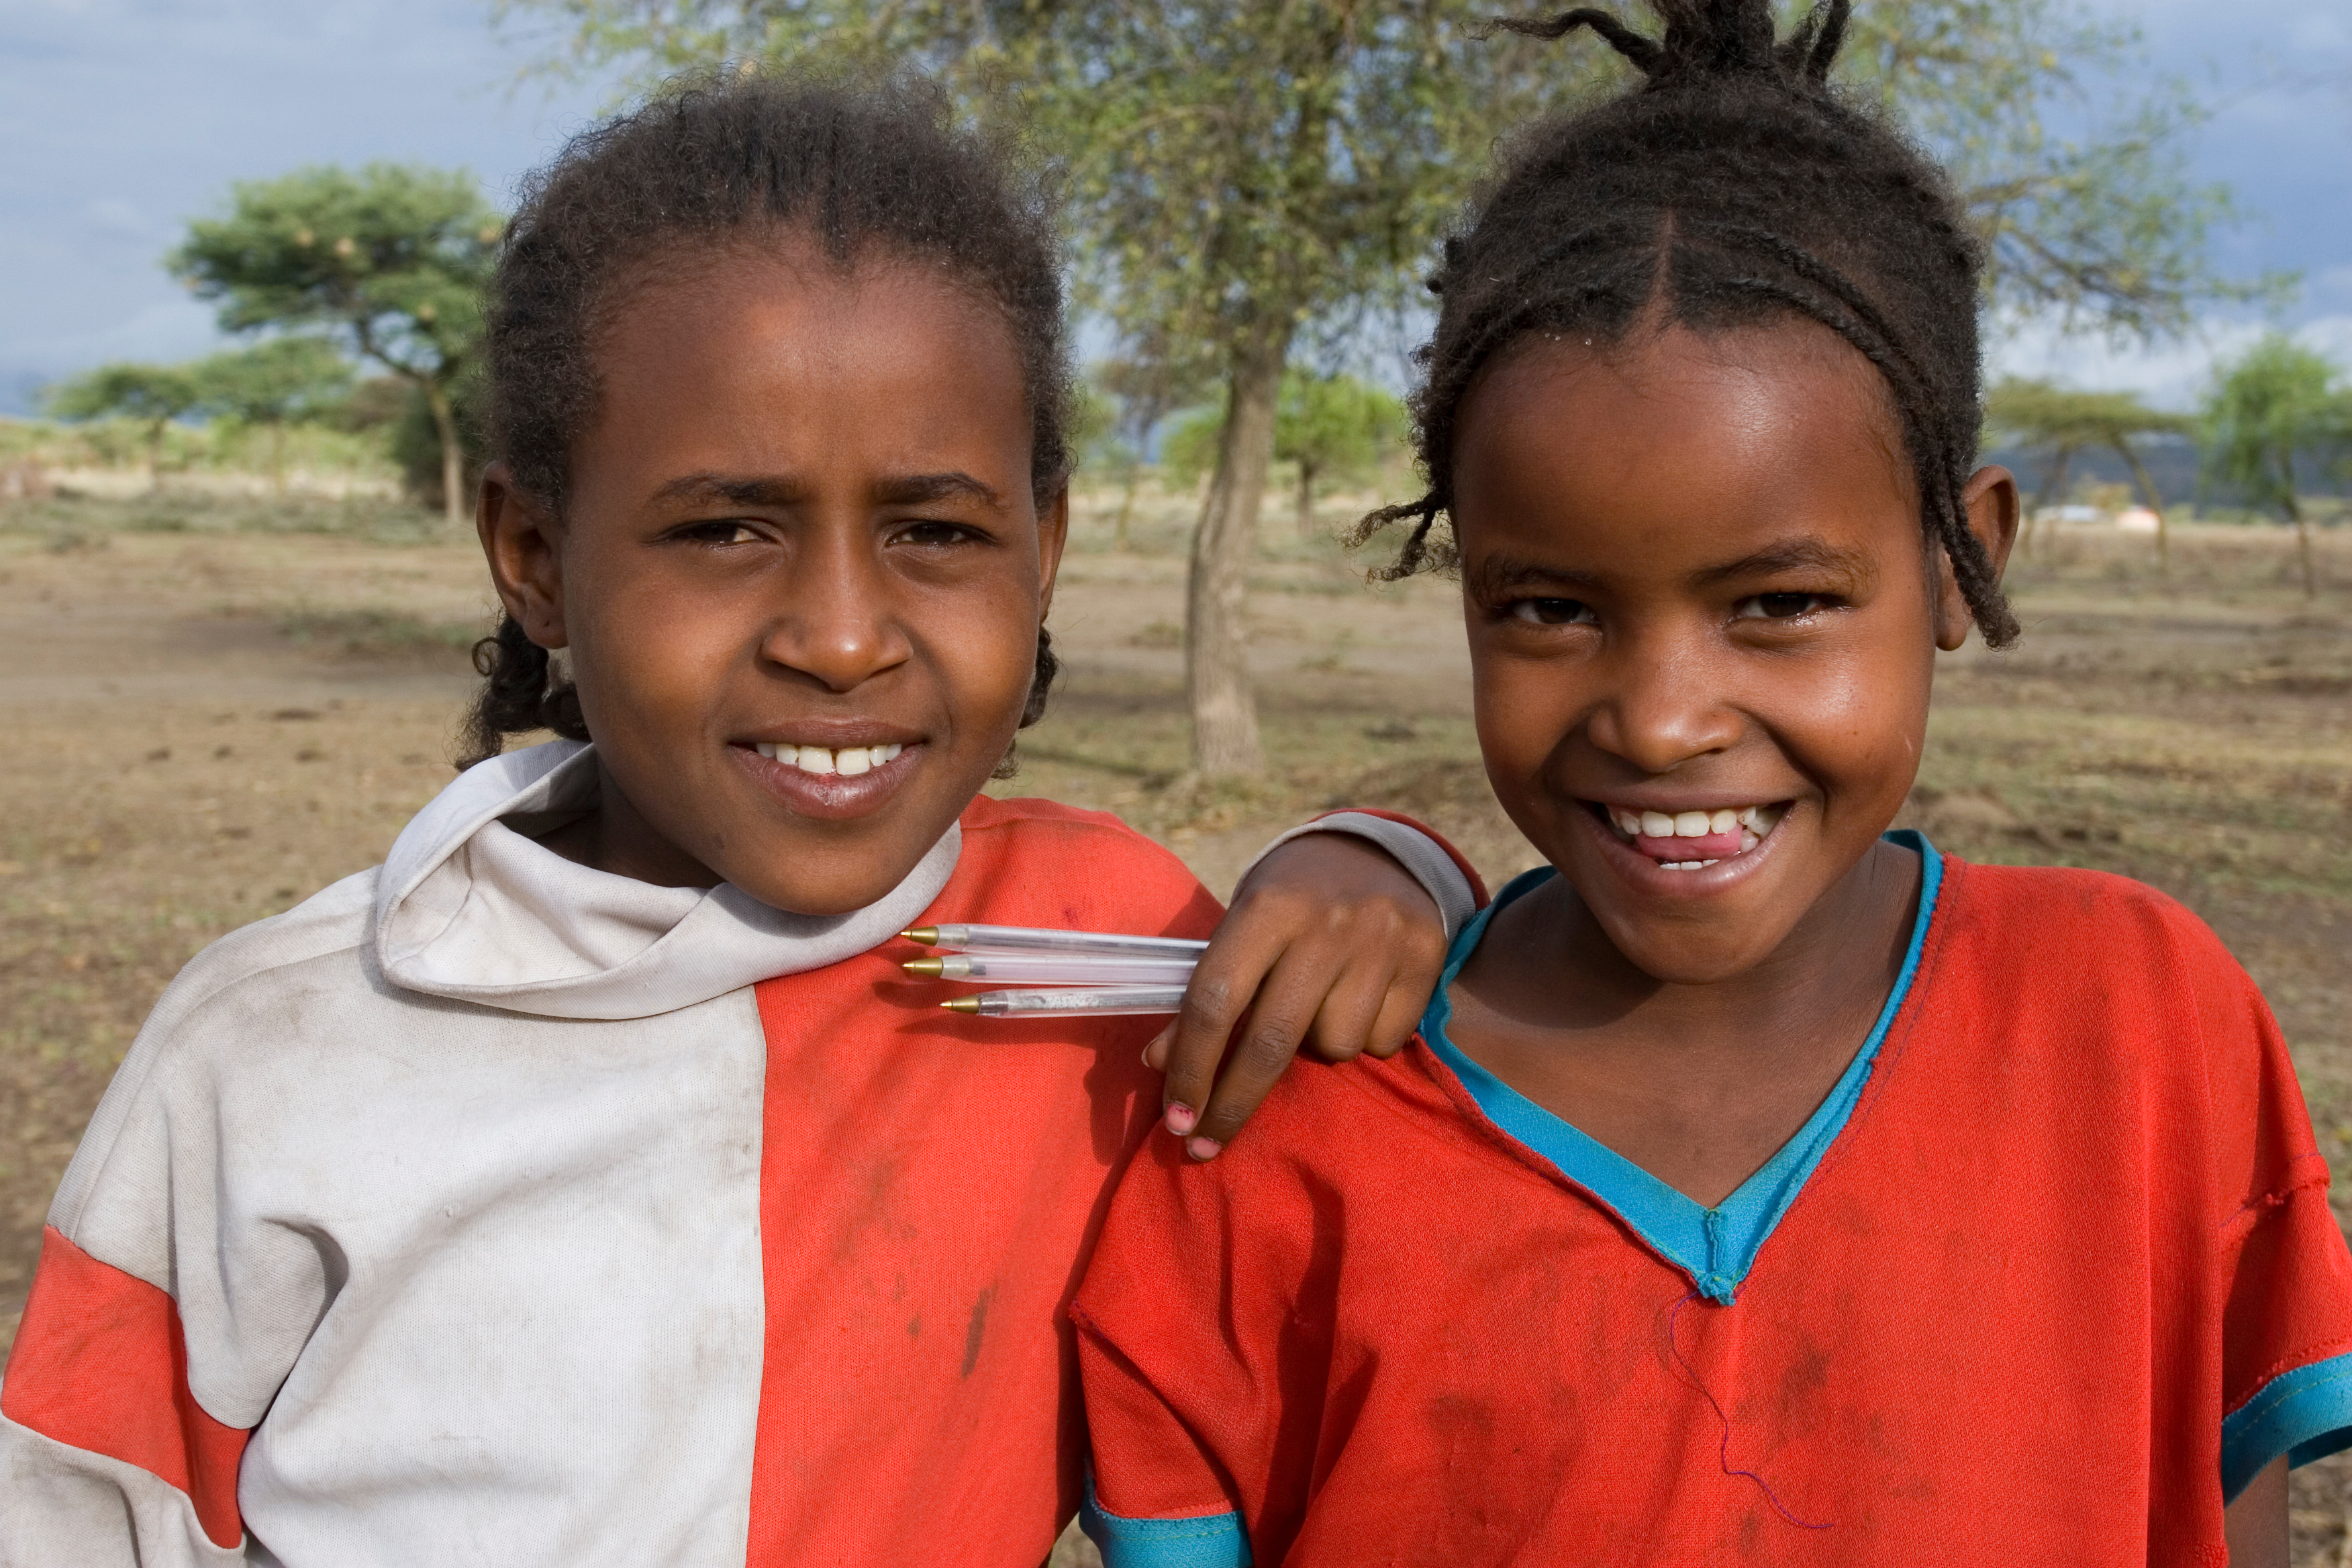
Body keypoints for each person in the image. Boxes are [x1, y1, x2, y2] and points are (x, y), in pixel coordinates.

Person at [0, 74, 1487, 1567]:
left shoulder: (1103, 955)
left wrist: (1385, 862)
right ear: (533, 555)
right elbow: (81, 1510)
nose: (841, 637)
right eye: (725, 529)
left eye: (933, 530)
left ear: (1044, 546)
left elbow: (1406, 1029)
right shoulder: (276, 1050)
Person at [1069, 5, 2352, 1565]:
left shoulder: (2141, 1025)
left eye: (1782, 604)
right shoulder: (1288, 1112)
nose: (1663, 721)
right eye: (1550, 607)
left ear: (1966, 561)